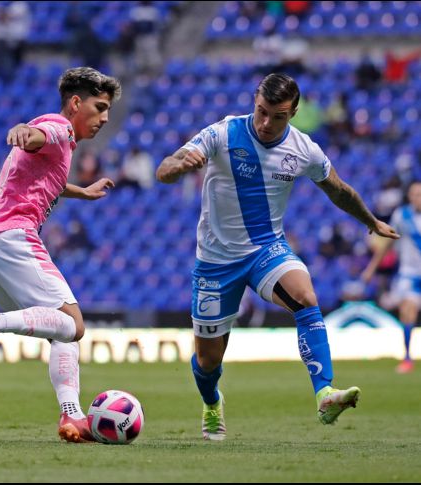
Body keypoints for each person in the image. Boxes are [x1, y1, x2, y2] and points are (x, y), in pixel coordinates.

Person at [155, 73, 399, 441]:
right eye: (262, 112)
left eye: (278, 116)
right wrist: (180, 166)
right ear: (255, 101)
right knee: (208, 362)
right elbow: (165, 169)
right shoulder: (223, 133)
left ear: (294, 113)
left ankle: (324, 393)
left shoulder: (304, 149)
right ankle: (211, 403)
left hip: (267, 249)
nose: (266, 123)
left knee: (305, 296)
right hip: (216, 261)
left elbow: (339, 190)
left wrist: (371, 221)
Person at [0, 67, 120, 443]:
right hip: (11, 237)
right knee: (74, 323)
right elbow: (37, 136)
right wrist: (23, 131)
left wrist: (81, 192)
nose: (104, 119)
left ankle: (73, 417)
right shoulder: (59, 128)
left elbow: (45, 172)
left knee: (58, 329)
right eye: (99, 108)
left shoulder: (63, 146)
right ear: (76, 103)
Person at [362, 181, 421, 374]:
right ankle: (407, 358)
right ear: (409, 196)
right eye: (414, 194)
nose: (417, 198)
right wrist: (371, 267)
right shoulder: (402, 215)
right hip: (410, 274)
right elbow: (387, 243)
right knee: (407, 311)